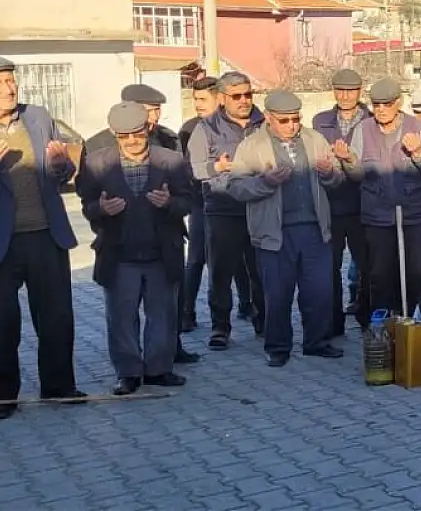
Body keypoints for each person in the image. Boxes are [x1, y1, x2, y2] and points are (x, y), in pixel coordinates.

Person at [76, 83, 199, 364]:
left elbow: (187, 201)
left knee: (163, 316)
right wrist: (102, 209)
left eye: (137, 133)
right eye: (124, 136)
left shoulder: (172, 160)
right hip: (119, 254)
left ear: (147, 129)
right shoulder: (97, 162)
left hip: (160, 253)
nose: (132, 140)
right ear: (115, 135)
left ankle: (159, 368)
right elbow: (87, 206)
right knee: (121, 318)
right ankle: (128, 373)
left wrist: (169, 204)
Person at [223, 91, 345, 367]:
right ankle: (278, 347)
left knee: (319, 291)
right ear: (268, 118)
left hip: (315, 230)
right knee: (278, 294)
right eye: (284, 120)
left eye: (296, 119)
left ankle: (317, 342)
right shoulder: (252, 146)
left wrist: (329, 174)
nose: (292, 125)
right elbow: (235, 186)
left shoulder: (314, 139)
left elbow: (335, 176)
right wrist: (265, 182)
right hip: (275, 234)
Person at [0, 56, 86, 420]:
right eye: (2, 83)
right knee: (3, 323)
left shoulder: (37, 116)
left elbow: (63, 172)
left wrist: (60, 165)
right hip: (3, 243)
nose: (10, 88)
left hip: (46, 235)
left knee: (56, 318)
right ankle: (4, 396)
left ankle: (58, 387)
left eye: (11, 80)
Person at [344, 78, 421, 316]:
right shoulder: (363, 129)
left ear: (398, 102)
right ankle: (383, 327)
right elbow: (357, 176)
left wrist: (418, 152)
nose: (381, 109)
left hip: (415, 216)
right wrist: (347, 161)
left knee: (417, 274)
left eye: (386, 104)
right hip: (377, 217)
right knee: (379, 274)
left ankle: (417, 325)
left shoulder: (417, 127)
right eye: (376, 104)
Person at [186, 71, 267, 350]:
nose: (244, 100)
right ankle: (221, 327)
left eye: (248, 94)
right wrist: (216, 168)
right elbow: (195, 169)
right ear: (222, 99)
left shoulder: (264, 123)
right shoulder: (206, 128)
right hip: (222, 209)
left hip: (259, 207)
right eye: (237, 96)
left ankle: (263, 321)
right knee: (221, 272)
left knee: (261, 271)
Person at [312, 68, 370, 334]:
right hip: (331, 204)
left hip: (363, 204)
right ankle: (333, 323)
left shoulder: (371, 119)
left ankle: (366, 317)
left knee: (368, 267)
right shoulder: (320, 121)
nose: (345, 95)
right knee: (329, 268)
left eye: (351, 90)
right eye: (340, 90)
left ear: (360, 92)